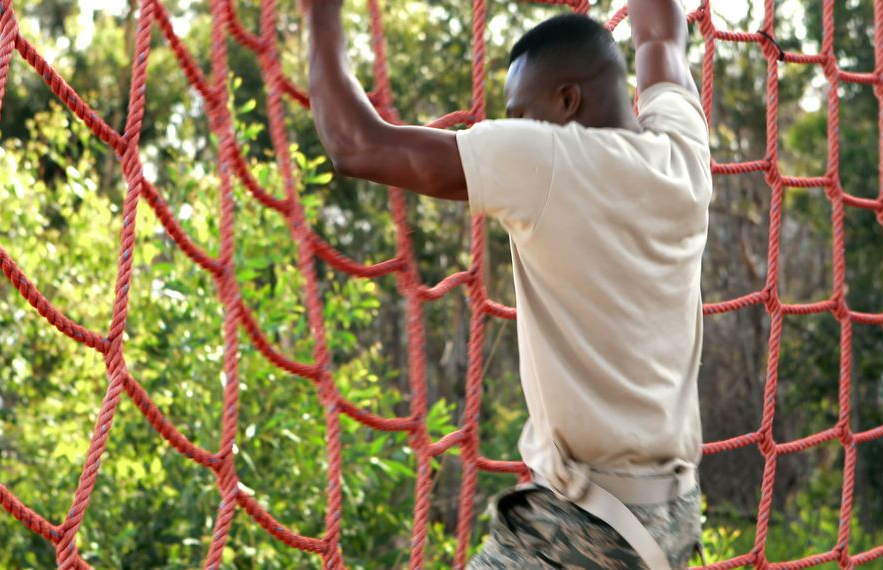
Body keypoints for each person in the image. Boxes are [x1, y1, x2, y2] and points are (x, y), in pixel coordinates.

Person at [303, 0, 711, 567]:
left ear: (567, 101)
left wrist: (319, 14)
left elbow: (356, 145)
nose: (510, 124)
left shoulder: (549, 158)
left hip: (584, 529)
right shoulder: (684, 151)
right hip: (673, 515)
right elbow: (660, 40)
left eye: (520, 112)